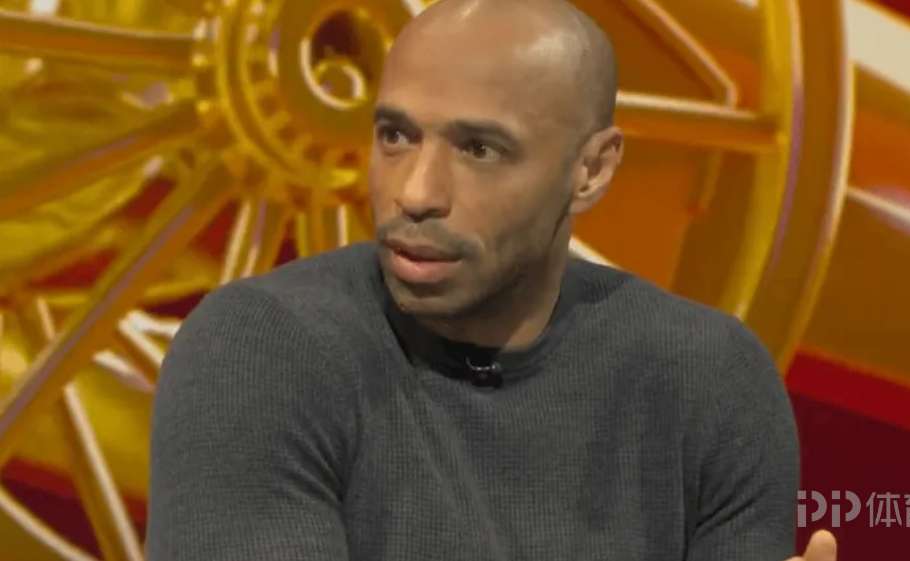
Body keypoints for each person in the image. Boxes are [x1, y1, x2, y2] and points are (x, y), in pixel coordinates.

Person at [146, 0, 837, 559]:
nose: (416, 192)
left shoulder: (709, 381)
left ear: (591, 169)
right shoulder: (257, 350)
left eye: (479, 149)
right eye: (396, 137)